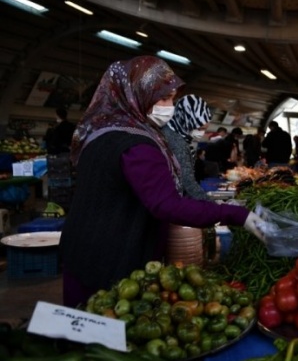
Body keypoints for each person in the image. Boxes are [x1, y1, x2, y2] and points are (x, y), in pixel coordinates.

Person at [59, 56, 264, 308]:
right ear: (137, 95)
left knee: (81, 331)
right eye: (163, 98)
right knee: (110, 331)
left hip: (81, 249)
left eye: (172, 99)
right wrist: (237, 215)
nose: (170, 107)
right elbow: (166, 205)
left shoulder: (100, 134)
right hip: (113, 258)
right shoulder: (137, 146)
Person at [162, 94, 213, 201]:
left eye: (205, 129)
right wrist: (214, 206)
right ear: (187, 120)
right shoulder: (176, 141)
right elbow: (187, 183)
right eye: (199, 128)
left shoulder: (174, 133)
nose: (202, 133)